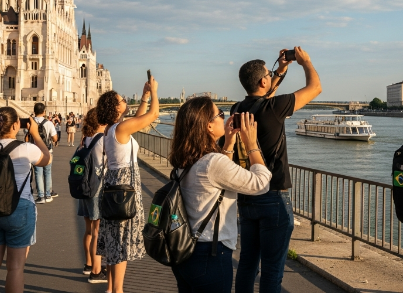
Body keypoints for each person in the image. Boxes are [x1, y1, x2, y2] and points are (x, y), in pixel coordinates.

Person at [234, 46, 322, 293]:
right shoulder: (275, 108)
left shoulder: (238, 109)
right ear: (263, 80)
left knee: (248, 263)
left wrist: (281, 70)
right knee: (272, 269)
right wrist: (306, 62)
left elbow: (263, 96)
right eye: (269, 74)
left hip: (247, 196)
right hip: (273, 196)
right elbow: (315, 88)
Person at [170, 99, 272, 293]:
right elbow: (261, 183)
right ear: (208, 125)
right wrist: (251, 144)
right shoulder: (212, 162)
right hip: (211, 254)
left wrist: (229, 142)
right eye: (221, 114)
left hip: (185, 251)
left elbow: (215, 182)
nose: (224, 118)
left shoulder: (185, 159)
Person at [0, 107, 52, 293]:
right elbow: (47, 159)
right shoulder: (26, 149)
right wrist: (35, 134)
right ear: (16, 125)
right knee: (15, 267)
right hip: (19, 206)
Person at [96, 79, 159, 293]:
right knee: (121, 242)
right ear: (115, 107)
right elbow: (151, 117)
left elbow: (139, 117)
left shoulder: (112, 129)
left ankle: (112, 288)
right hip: (126, 186)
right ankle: (118, 291)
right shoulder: (120, 129)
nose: (124, 100)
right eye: (121, 99)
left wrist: (145, 96)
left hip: (115, 183)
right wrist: (155, 93)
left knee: (114, 240)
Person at [78, 108, 109, 284]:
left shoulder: (85, 139)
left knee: (89, 229)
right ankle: (96, 272)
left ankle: (89, 264)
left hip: (84, 186)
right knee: (97, 230)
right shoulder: (102, 140)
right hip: (97, 186)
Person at [31, 102, 58, 203]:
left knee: (38, 173)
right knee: (47, 172)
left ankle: (41, 196)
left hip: (35, 151)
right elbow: (55, 138)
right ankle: (48, 194)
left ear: (34, 111)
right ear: (44, 111)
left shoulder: (31, 122)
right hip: (47, 150)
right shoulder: (48, 123)